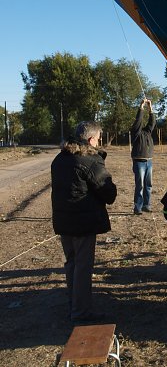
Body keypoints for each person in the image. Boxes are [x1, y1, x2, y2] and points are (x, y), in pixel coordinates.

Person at [51, 121, 117, 324]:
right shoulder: (89, 160)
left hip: (64, 221)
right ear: (90, 139)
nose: (99, 142)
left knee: (72, 263)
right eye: (98, 138)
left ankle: (75, 304)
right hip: (82, 222)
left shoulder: (60, 158)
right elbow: (108, 192)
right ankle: (80, 311)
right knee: (82, 266)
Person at [131, 98, 156, 214]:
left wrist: (150, 108)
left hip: (149, 162)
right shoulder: (136, 134)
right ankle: (138, 207)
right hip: (139, 162)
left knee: (148, 185)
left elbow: (152, 122)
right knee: (140, 185)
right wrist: (141, 107)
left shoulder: (148, 132)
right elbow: (138, 121)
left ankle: (147, 205)